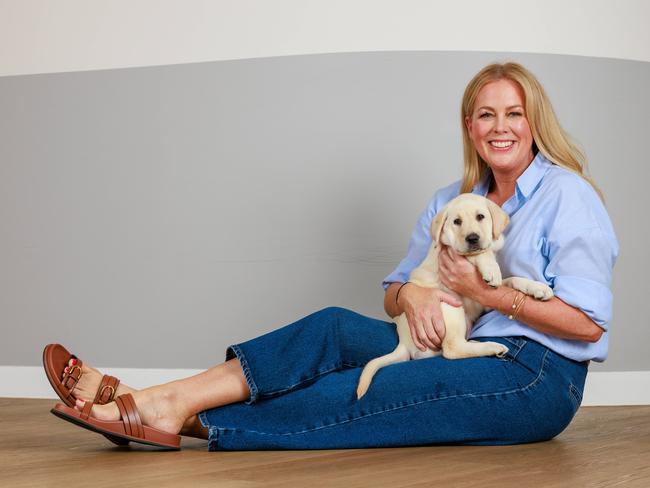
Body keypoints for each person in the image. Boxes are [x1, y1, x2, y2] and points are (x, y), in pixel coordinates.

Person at [46, 62, 618, 450]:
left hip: (533, 377)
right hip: (447, 341)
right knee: (333, 329)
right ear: (469, 127)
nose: (500, 127)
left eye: (513, 113)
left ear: (533, 122)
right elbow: (393, 292)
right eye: (486, 115)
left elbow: (588, 327)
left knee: (365, 394)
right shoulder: (451, 203)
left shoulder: (567, 194)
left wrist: (486, 294)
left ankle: (160, 411)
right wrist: (414, 293)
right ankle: (164, 402)